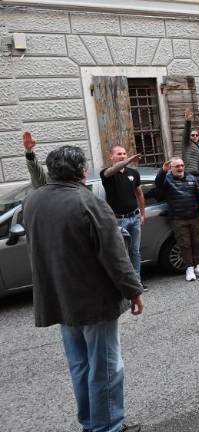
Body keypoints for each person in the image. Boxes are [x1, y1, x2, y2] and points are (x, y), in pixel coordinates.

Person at [24, 145, 144, 432]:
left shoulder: (33, 201)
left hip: (60, 299)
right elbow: (115, 255)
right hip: (94, 301)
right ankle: (107, 427)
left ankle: (92, 423)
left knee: (80, 367)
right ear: (81, 171)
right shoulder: (87, 201)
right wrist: (134, 290)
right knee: (105, 368)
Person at [100, 146, 147, 291]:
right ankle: (125, 285)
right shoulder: (107, 174)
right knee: (122, 254)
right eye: (119, 154)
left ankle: (137, 282)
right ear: (111, 157)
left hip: (134, 217)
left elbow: (139, 193)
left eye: (124, 154)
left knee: (135, 251)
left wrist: (142, 213)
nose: (122, 156)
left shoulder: (133, 173)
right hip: (119, 221)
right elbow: (112, 170)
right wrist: (128, 160)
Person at [155, 158, 199, 281]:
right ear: (171, 168)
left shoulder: (191, 178)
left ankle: (198, 266)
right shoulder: (167, 180)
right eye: (177, 166)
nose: (180, 168)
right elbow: (158, 184)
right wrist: (163, 171)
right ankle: (189, 268)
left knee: (197, 242)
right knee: (185, 244)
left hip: (194, 217)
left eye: (182, 165)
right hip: (178, 219)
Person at [182, 108, 199, 186]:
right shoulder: (187, 143)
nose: (195, 136)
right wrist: (188, 121)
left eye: (196, 135)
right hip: (190, 174)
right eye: (192, 135)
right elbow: (186, 132)